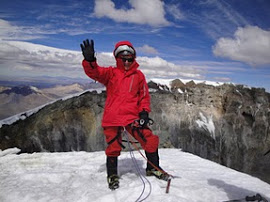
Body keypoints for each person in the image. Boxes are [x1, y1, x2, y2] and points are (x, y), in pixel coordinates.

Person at [80, 39, 169, 190]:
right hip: (113, 118)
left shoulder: (139, 76)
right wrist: (90, 60)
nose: (127, 62)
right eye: (123, 59)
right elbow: (95, 72)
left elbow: (144, 97)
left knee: (150, 139)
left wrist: (144, 113)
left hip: (132, 117)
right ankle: (112, 174)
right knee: (113, 147)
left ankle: (153, 168)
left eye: (130, 59)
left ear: (134, 58)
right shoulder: (110, 73)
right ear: (117, 58)